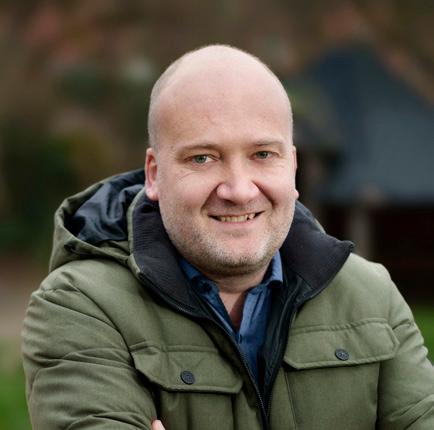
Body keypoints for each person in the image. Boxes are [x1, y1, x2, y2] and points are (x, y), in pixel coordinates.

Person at [22, 45, 434, 430]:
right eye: (203, 158)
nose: (238, 190)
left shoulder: (370, 296)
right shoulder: (80, 307)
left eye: (262, 155)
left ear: (292, 166)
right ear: (154, 174)